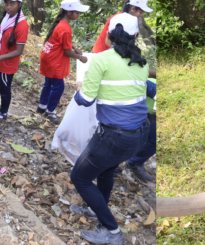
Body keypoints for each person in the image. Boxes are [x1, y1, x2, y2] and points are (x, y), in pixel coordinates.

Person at [68, 13, 153, 245]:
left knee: (79, 177)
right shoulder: (142, 62)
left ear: (111, 34)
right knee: (106, 169)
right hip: (139, 133)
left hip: (114, 136)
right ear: (135, 36)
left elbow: (85, 99)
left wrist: (78, 88)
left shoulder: (102, 59)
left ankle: (112, 231)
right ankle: (97, 210)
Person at [37, 0, 89, 121]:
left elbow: (62, 42)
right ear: (69, 12)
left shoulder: (60, 24)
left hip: (48, 57)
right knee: (58, 87)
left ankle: (41, 107)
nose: (79, 15)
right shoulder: (65, 29)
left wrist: (75, 47)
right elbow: (66, 51)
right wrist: (80, 57)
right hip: (55, 61)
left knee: (48, 83)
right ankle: (49, 112)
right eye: (77, 12)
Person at [124, 77, 157, 183]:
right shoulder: (149, 85)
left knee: (154, 141)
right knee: (128, 137)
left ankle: (134, 163)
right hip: (140, 109)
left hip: (153, 113)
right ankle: (112, 165)